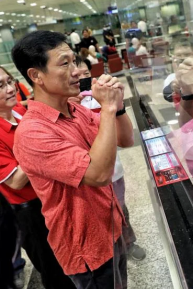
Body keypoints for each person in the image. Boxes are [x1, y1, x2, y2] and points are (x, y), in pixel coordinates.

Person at [11, 30, 134, 288]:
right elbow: (99, 175)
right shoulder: (33, 132)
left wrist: (118, 106)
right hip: (87, 247)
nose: (77, 70)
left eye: (74, 60)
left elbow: (125, 140)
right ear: (36, 76)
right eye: (64, 63)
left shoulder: (75, 108)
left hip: (111, 224)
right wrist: (108, 110)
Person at [0, 66, 75, 289]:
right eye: (0, 86)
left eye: (9, 81)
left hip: (50, 195)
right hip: (29, 209)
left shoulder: (21, 113)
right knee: (51, 265)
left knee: (68, 255)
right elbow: (15, 180)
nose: (10, 89)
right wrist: (42, 146)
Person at [75, 57, 146, 261]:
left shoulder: (100, 98)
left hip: (113, 169)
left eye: (84, 74)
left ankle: (128, 241)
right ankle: (112, 247)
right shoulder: (66, 105)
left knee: (120, 207)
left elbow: (124, 138)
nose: (81, 79)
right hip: (86, 175)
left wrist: (112, 105)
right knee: (99, 214)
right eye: (76, 75)